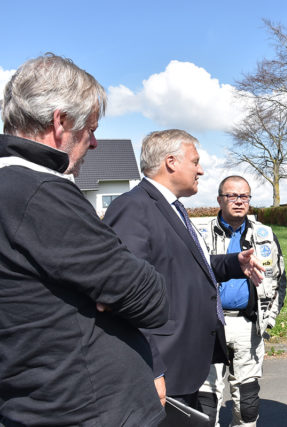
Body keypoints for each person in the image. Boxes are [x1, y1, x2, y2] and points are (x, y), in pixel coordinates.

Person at [0, 53, 168, 425]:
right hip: (88, 411)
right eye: (90, 129)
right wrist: (115, 287)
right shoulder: (39, 191)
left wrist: (106, 289)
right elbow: (151, 299)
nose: (94, 144)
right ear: (60, 121)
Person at [103, 130, 264, 413]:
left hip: (183, 363)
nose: (201, 169)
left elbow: (188, 264)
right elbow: (125, 295)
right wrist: (152, 367)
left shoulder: (173, 208)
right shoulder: (134, 208)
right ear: (171, 162)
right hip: (163, 364)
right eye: (195, 161)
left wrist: (233, 263)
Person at [198, 175, 287, 426]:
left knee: (247, 404)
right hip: (210, 326)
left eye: (244, 196)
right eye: (232, 196)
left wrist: (268, 318)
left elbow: (280, 279)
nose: (239, 201)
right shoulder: (200, 233)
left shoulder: (265, 234)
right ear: (219, 199)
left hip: (248, 326)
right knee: (206, 401)